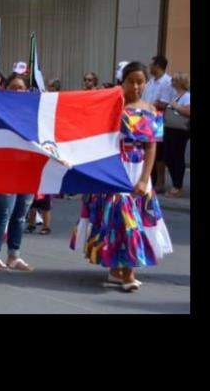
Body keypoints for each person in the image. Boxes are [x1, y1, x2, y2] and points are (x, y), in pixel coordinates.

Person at [69, 61, 173, 291]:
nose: (136, 86)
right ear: (122, 82)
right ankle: (124, 272)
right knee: (121, 221)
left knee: (133, 221)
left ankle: (122, 269)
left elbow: (151, 147)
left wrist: (146, 178)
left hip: (137, 170)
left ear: (146, 83)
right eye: (131, 81)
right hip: (114, 170)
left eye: (140, 82)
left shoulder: (151, 111)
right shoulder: (110, 107)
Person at [0, 73, 36, 272]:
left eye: (21, 88)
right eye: (13, 87)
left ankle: (14, 255)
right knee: (4, 212)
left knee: (21, 215)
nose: (17, 91)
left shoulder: (32, 111)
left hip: (27, 169)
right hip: (4, 169)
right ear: (5, 89)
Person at [142, 56, 176, 193]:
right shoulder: (151, 81)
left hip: (158, 119)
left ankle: (160, 182)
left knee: (159, 152)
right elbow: (144, 98)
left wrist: (146, 106)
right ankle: (150, 178)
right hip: (145, 117)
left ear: (158, 66)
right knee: (146, 148)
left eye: (152, 64)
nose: (150, 67)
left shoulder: (167, 82)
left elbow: (163, 103)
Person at [163, 73, 191, 197]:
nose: (171, 82)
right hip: (170, 129)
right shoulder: (175, 95)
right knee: (168, 156)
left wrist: (176, 106)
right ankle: (175, 183)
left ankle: (177, 186)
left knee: (177, 157)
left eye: (174, 80)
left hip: (180, 131)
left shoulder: (187, 96)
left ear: (180, 82)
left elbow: (188, 112)